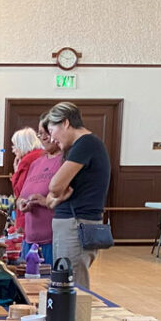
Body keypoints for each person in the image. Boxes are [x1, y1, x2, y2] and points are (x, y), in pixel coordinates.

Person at [33, 101, 111, 291]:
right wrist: (57, 196)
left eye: (52, 131)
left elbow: (56, 185)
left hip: (77, 223)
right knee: (63, 281)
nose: (51, 139)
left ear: (65, 123)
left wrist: (57, 194)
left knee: (72, 285)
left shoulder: (86, 143)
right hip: (70, 223)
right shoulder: (78, 147)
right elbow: (53, 197)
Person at [17, 117, 63, 264]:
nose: (43, 137)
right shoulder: (36, 163)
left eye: (47, 133)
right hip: (30, 239)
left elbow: (70, 195)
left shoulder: (65, 161)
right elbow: (21, 195)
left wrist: (45, 201)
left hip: (53, 239)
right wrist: (21, 203)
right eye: (40, 133)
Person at [10, 127, 44, 233]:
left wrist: (16, 172)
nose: (13, 150)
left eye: (15, 145)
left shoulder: (27, 160)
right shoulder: (42, 154)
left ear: (22, 144)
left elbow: (19, 191)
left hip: (29, 211)